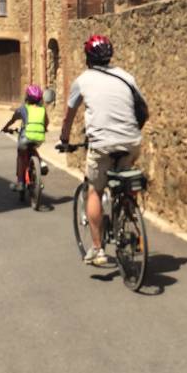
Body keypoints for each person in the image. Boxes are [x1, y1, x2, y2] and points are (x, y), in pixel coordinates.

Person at [59, 34, 144, 267]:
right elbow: (142, 108)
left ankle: (97, 250)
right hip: (132, 140)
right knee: (126, 176)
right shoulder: (127, 77)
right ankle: (130, 212)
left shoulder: (82, 81)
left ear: (87, 58)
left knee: (94, 190)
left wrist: (64, 138)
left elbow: (69, 115)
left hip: (102, 143)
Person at [1, 84, 48, 191]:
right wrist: (44, 129)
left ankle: (20, 183)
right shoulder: (42, 110)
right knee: (33, 147)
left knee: (21, 155)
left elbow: (12, 120)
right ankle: (41, 163)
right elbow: (46, 123)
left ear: (27, 98)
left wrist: (5, 128)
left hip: (25, 137)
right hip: (39, 137)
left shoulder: (22, 109)